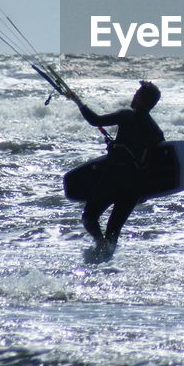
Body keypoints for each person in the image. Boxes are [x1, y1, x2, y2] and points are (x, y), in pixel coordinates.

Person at [62, 80, 164, 260]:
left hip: (114, 179)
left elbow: (95, 120)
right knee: (113, 231)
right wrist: (146, 193)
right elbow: (156, 162)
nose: (134, 95)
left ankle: (99, 247)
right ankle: (106, 264)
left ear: (141, 99)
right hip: (134, 187)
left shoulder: (127, 115)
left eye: (137, 93)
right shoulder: (156, 131)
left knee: (89, 218)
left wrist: (77, 101)